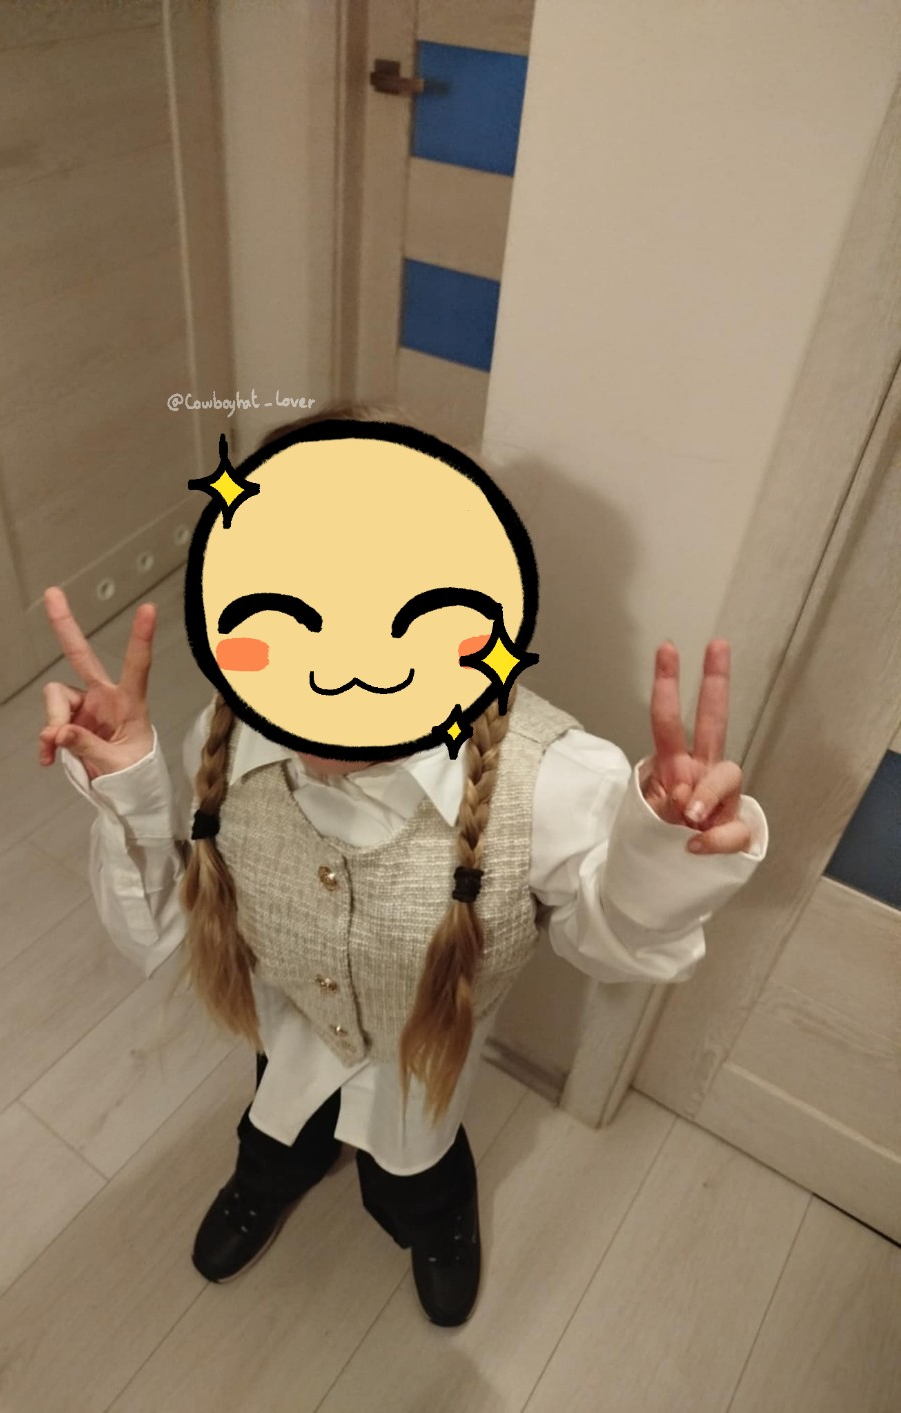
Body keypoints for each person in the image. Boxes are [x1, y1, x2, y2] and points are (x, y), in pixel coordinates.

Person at [38, 406, 768, 1328]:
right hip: (288, 1028)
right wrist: (133, 791)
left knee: (415, 1174)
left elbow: (607, 943)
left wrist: (658, 848)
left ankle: (438, 1222)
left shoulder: (547, 779)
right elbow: (163, 925)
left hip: (425, 1065)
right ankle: (269, 1177)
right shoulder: (221, 739)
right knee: (275, 1129)